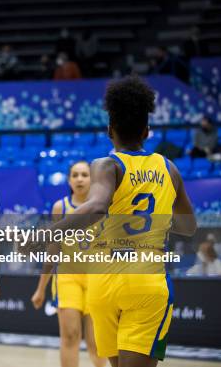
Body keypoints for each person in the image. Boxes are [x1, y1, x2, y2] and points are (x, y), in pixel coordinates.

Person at [47, 75, 196, 367]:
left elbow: (98, 205)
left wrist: (43, 235)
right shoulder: (170, 169)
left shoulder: (106, 165)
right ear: (147, 131)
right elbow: (188, 227)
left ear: (110, 130)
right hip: (146, 277)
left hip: (103, 279)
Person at [31, 161, 106, 367]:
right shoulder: (60, 207)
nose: (80, 179)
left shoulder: (103, 207)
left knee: (96, 341)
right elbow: (53, 249)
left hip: (97, 278)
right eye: (75, 175)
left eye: (84, 174)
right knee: (71, 336)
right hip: (67, 277)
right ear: (69, 180)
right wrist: (41, 289)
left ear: (92, 179)